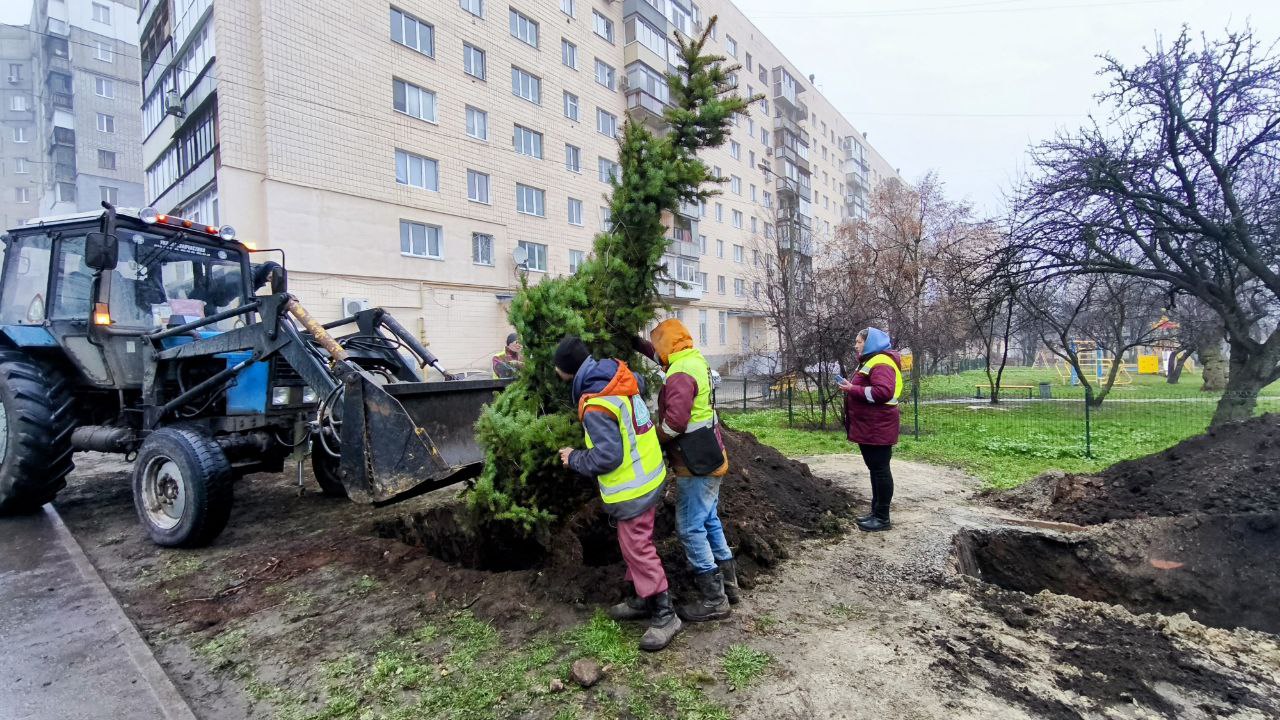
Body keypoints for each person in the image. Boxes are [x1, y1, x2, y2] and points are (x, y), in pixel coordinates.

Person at [553, 335, 683, 652]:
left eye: (557, 369)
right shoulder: (617, 379)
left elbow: (608, 456)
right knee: (631, 544)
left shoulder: (596, 402)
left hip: (635, 487)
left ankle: (665, 615)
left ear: (566, 371)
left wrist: (574, 458)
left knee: (637, 547)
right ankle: (642, 598)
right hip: (650, 475)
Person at [635, 319, 736, 622]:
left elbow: (674, 423)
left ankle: (714, 599)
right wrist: (632, 341)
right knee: (709, 520)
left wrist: (652, 438)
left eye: (657, 344)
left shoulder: (678, 374)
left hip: (694, 462)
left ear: (667, 346)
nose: (656, 351)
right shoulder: (692, 358)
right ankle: (729, 585)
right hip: (711, 452)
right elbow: (658, 356)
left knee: (690, 527)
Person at [839, 328, 904, 532]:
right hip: (872, 426)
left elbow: (883, 392)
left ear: (870, 343)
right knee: (876, 470)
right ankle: (875, 513)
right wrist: (853, 387)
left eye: (859, 342)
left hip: (878, 426)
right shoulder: (872, 361)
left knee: (880, 471)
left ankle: (882, 518)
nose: (856, 345)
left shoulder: (881, 362)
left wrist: (852, 389)